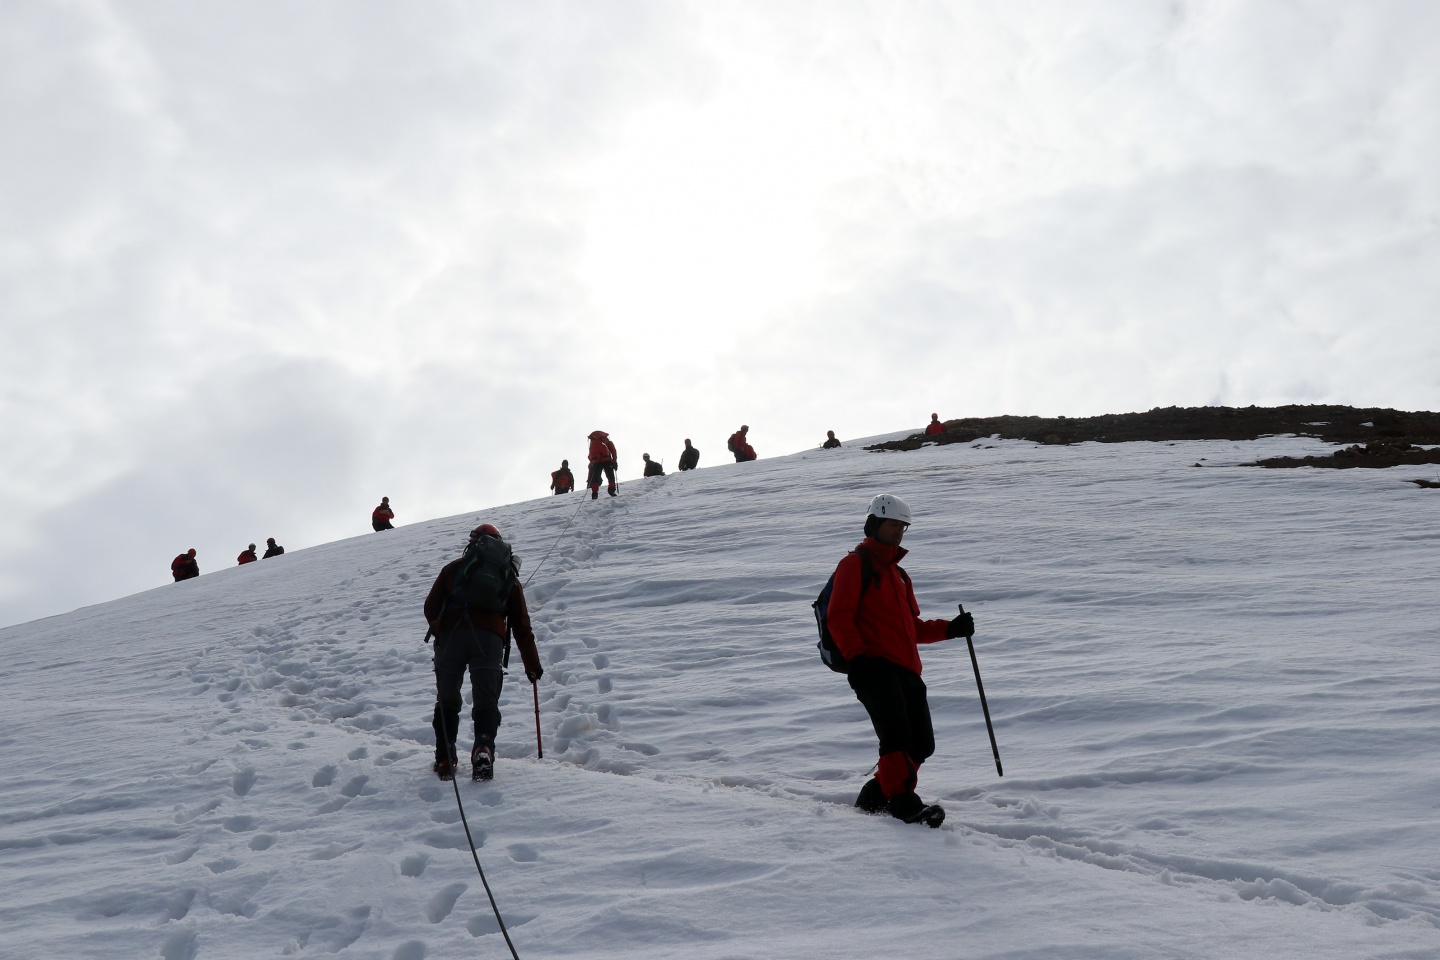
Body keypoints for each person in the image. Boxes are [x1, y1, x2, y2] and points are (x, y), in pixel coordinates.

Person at [825, 494, 974, 828]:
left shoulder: (900, 576)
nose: (899, 532)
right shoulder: (855, 564)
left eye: (903, 527)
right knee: (896, 737)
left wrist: (951, 629)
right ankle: (904, 802)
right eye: (893, 525)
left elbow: (913, 628)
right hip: (872, 666)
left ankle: (876, 794)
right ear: (875, 524)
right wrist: (857, 660)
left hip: (907, 670)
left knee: (922, 744)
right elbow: (839, 616)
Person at [423, 524, 542, 781]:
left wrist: (441, 628)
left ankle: (445, 756)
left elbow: (430, 607)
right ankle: (484, 748)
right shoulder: (507, 576)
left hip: (452, 637)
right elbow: (521, 626)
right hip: (489, 640)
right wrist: (532, 665)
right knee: (486, 700)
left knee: (447, 699)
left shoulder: (454, 569)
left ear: (473, 543)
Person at [586, 430, 619, 499]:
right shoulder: (606, 441)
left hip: (596, 462)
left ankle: (594, 493)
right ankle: (611, 490)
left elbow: (589, 455)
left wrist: (592, 462)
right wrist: (614, 461)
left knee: (596, 478)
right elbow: (613, 450)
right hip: (606, 460)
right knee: (610, 476)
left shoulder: (592, 442)